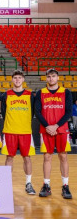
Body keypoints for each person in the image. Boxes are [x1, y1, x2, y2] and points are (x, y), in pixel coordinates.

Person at [35, 68, 73, 199]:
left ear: (58, 78)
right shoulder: (40, 92)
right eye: (49, 76)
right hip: (46, 130)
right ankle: (46, 185)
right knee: (47, 157)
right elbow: (37, 112)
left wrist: (56, 126)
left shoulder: (66, 92)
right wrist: (47, 126)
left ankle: (65, 186)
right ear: (46, 78)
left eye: (53, 76)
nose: (51, 78)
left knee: (63, 156)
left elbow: (68, 112)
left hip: (61, 129)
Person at [1, 70, 36, 195]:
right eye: (15, 78)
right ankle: (6, 184)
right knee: (9, 157)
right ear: (12, 80)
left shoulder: (30, 95)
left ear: (23, 80)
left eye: (19, 78)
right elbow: (4, 113)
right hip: (10, 130)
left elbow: (32, 113)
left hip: (25, 131)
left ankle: (28, 183)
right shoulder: (6, 95)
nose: (17, 80)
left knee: (27, 157)